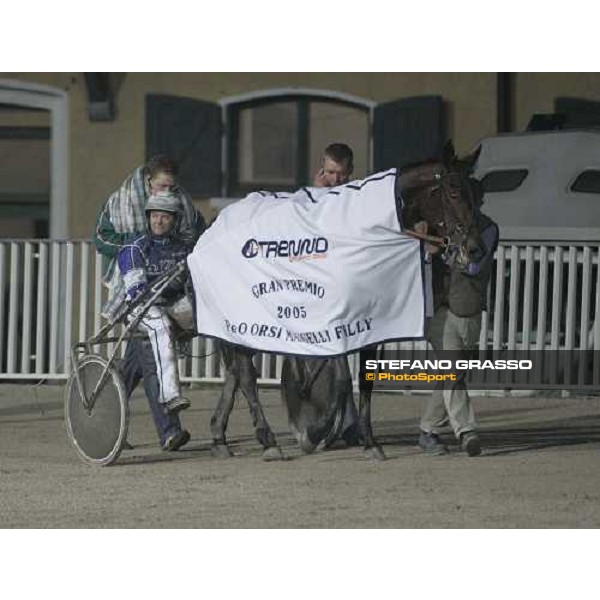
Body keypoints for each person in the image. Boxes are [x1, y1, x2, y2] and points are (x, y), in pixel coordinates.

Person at [94, 154, 205, 451]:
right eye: (161, 187)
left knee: (131, 368)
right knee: (155, 354)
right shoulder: (124, 208)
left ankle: (103, 421)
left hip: (167, 299)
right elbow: (101, 238)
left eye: (171, 188)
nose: (167, 194)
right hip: (137, 300)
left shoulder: (182, 214)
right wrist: (133, 251)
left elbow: (198, 233)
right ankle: (170, 429)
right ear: (148, 183)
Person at [418, 186, 499, 457]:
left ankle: (428, 431)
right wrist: (426, 250)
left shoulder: (488, 229)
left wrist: (444, 251)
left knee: (450, 374)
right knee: (452, 370)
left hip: (469, 310)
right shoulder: (435, 226)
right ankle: (467, 431)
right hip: (439, 311)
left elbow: (474, 266)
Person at [118, 191, 195, 415]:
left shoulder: (184, 247)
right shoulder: (135, 248)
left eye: (165, 216)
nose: (159, 221)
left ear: (175, 220)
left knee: (204, 312)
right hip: (139, 308)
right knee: (161, 324)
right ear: (148, 217)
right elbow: (136, 293)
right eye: (154, 216)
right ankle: (170, 395)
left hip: (171, 304)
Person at [311, 142, 361, 446]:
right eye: (330, 173)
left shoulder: (356, 196)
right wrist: (318, 194)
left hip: (341, 284)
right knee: (329, 359)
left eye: (341, 174)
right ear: (322, 168)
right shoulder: (312, 193)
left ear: (350, 171)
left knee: (338, 358)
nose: (336, 179)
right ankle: (342, 424)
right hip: (314, 284)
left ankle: (345, 423)